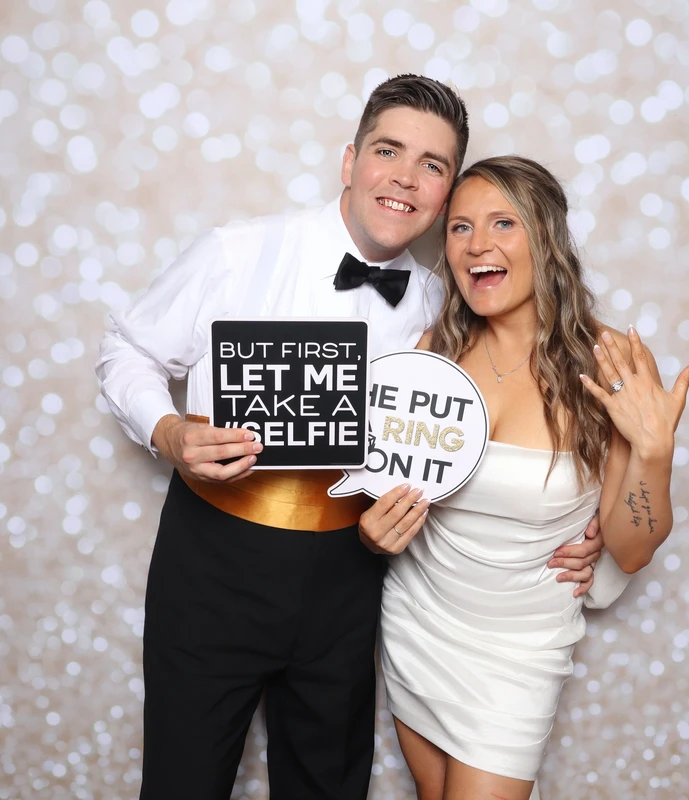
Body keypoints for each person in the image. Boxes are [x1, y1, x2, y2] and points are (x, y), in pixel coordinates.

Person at [95, 78, 603, 800]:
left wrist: (581, 529)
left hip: (353, 572)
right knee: (184, 783)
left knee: (329, 785)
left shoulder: (447, 304)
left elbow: (505, 422)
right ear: (348, 161)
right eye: (388, 151)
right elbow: (127, 350)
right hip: (214, 560)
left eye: (432, 164)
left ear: (445, 194)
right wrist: (168, 430)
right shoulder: (238, 252)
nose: (405, 177)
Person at [359, 155, 689, 799]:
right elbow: (385, 487)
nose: (476, 245)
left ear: (547, 236)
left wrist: (654, 451)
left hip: (520, 649)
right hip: (418, 622)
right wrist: (373, 531)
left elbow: (631, 550)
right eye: (459, 227)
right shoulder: (433, 353)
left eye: (502, 223)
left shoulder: (612, 363)